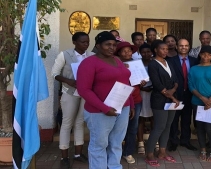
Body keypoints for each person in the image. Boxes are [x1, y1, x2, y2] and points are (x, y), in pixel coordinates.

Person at [77, 31, 135, 169]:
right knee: (99, 144)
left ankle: (114, 166)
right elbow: (84, 90)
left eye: (114, 45)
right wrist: (104, 108)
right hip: (99, 111)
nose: (111, 48)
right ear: (97, 45)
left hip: (123, 107)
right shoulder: (89, 63)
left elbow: (126, 82)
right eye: (107, 44)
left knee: (116, 142)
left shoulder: (117, 60)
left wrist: (131, 104)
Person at [51, 32, 94, 169]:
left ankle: (78, 153)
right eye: (83, 42)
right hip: (70, 92)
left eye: (87, 42)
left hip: (85, 93)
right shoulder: (65, 55)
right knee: (67, 123)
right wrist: (68, 81)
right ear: (74, 42)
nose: (86, 44)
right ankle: (64, 156)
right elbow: (55, 73)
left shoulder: (91, 56)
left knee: (80, 122)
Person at [145, 40, 180, 167]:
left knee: (168, 126)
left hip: (171, 98)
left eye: (166, 49)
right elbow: (157, 84)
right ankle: (149, 154)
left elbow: (176, 80)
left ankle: (162, 152)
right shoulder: (153, 64)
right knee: (159, 127)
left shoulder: (168, 62)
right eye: (162, 49)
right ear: (155, 50)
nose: (165, 51)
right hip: (160, 100)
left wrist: (173, 90)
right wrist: (173, 98)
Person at [189, 45, 211, 162]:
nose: (206, 56)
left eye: (209, 54)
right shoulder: (193, 69)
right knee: (200, 128)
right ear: (200, 55)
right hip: (197, 101)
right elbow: (191, 85)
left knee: (210, 128)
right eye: (203, 54)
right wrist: (202, 98)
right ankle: (203, 149)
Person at [115, 42, 146, 164]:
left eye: (129, 50)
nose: (127, 53)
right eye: (124, 51)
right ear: (118, 53)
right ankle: (114, 152)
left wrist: (142, 82)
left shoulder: (136, 64)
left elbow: (139, 81)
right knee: (117, 128)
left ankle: (127, 152)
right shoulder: (114, 64)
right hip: (120, 100)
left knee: (133, 127)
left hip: (136, 99)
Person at [167, 39, 198, 151]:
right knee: (174, 120)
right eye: (181, 45)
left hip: (190, 94)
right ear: (177, 47)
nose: (183, 47)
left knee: (186, 119)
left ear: (189, 47)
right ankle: (173, 141)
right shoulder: (170, 61)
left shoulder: (195, 61)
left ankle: (185, 141)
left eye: (186, 45)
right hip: (175, 94)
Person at [137, 43, 154, 155]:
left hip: (153, 93)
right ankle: (140, 142)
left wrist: (152, 87)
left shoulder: (155, 63)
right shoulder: (137, 64)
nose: (146, 54)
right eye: (143, 52)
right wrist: (140, 87)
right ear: (140, 53)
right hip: (140, 93)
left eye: (148, 52)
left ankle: (154, 141)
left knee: (153, 118)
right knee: (141, 119)